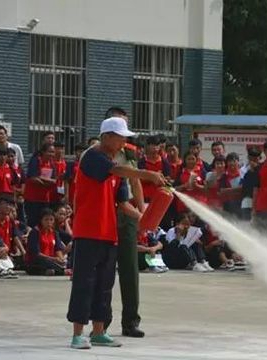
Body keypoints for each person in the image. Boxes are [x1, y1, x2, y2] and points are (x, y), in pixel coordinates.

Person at [66, 117, 167, 349]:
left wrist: (145, 220)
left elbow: (123, 204)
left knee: (104, 284)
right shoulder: (92, 157)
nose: (124, 142)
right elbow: (116, 170)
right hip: (88, 231)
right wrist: (147, 175)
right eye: (121, 137)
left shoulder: (116, 168)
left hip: (108, 234)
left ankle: (99, 332)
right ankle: (77, 334)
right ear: (107, 136)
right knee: (84, 282)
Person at [104, 107, 148, 339]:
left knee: (130, 269)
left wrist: (143, 212)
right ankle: (102, 321)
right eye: (120, 127)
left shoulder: (129, 153)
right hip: (106, 213)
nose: (124, 135)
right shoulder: (98, 152)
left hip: (128, 214)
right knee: (105, 269)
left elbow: (136, 180)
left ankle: (131, 321)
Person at [24, 143, 56, 227]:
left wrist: (42, 180)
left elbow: (54, 180)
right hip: (32, 198)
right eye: (49, 152)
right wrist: (46, 181)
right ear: (43, 152)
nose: (51, 154)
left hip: (44, 199)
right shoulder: (36, 160)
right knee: (32, 223)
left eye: (53, 152)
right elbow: (33, 178)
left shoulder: (52, 163)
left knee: (43, 224)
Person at [25, 208, 66, 275]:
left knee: (66, 262)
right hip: (37, 261)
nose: (49, 222)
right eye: (46, 219)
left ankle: (54, 270)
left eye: (51, 220)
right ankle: (61, 271)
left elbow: (58, 249)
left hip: (51, 260)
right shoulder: (35, 232)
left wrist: (61, 259)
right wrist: (54, 259)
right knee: (45, 262)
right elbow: (36, 254)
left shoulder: (54, 233)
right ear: (41, 220)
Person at [137, 135, 171, 203]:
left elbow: (168, 178)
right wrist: (154, 177)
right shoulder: (142, 161)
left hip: (160, 196)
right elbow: (139, 178)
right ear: (147, 146)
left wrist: (163, 179)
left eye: (157, 146)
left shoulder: (164, 161)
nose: (155, 148)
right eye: (153, 145)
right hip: (145, 197)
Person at [217, 152, 243, 217]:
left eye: (234, 161)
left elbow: (244, 190)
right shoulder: (224, 176)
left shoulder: (243, 175)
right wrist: (238, 190)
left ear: (238, 162)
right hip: (227, 207)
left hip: (241, 207)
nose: (232, 163)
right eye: (229, 161)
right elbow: (221, 191)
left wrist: (228, 191)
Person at [240, 147, 261, 220]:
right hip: (246, 202)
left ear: (259, 158)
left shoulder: (261, 170)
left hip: (258, 203)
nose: (253, 161)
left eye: (255, 158)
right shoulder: (247, 173)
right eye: (251, 158)